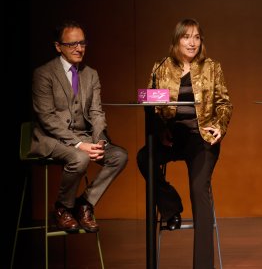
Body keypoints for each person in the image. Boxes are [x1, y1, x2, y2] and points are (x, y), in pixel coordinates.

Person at [136, 18, 232, 269]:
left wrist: (219, 126)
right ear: (176, 40)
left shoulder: (212, 67)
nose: (192, 42)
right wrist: (160, 131)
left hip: (202, 139)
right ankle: (170, 206)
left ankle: (203, 265)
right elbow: (150, 106)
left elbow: (224, 104)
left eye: (197, 37)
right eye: (186, 37)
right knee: (143, 157)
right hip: (173, 136)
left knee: (199, 191)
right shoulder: (161, 68)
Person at [30, 20, 128, 233]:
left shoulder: (90, 73)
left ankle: (85, 203)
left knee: (118, 155)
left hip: (85, 136)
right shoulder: (44, 74)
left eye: (82, 43)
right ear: (58, 47)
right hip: (52, 139)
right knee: (80, 157)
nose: (79, 48)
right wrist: (79, 144)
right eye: (72, 44)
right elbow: (47, 118)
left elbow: (96, 112)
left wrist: (100, 138)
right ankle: (63, 207)